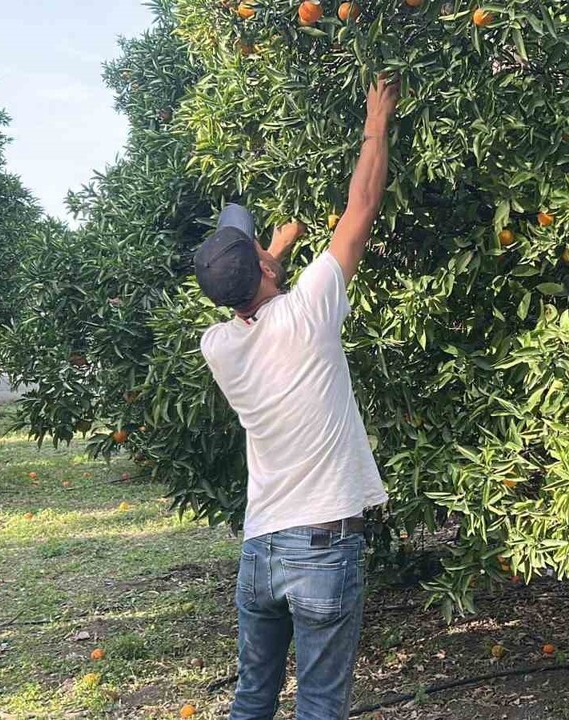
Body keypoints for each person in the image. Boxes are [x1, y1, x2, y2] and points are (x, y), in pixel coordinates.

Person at [193, 74, 400, 719]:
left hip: (261, 550)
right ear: (258, 269)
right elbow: (361, 206)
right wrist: (377, 119)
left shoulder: (217, 346)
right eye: (258, 250)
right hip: (322, 549)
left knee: (252, 697)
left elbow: (250, 300)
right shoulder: (310, 310)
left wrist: (269, 255)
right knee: (319, 704)